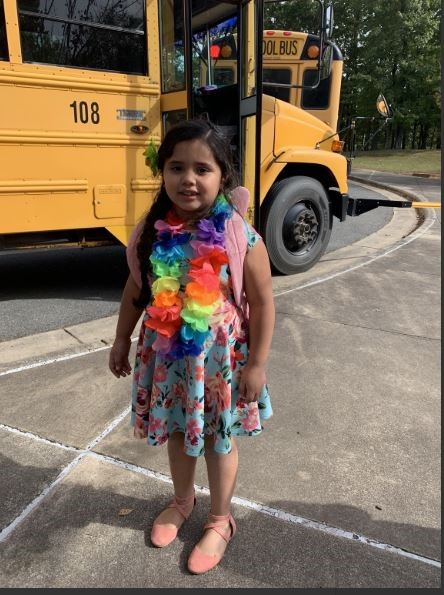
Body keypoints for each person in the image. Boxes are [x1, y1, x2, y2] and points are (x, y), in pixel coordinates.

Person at [109, 119, 274, 574]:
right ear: (162, 172)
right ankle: (182, 502)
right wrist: (122, 337)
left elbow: (262, 302)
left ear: (223, 175)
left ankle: (220, 520)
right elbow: (134, 291)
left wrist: (257, 364)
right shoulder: (151, 233)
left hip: (219, 362)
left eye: (202, 168)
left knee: (220, 439)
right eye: (176, 167)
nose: (188, 179)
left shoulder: (238, 233)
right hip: (168, 358)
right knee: (180, 432)